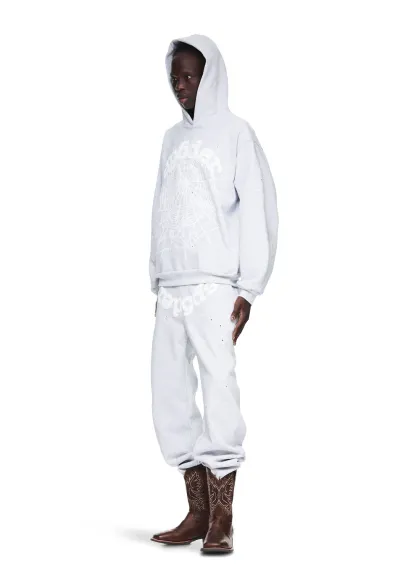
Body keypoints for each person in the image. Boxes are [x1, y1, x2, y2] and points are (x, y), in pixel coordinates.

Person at [149, 34, 278, 554]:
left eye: (190, 75)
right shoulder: (170, 139)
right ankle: (197, 512)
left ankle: (223, 517)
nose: (181, 85)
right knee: (169, 393)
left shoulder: (236, 133)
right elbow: (160, 207)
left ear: (211, 77)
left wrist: (249, 287)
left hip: (215, 284)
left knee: (219, 388)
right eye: (175, 76)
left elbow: (259, 207)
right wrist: (156, 275)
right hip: (172, 285)